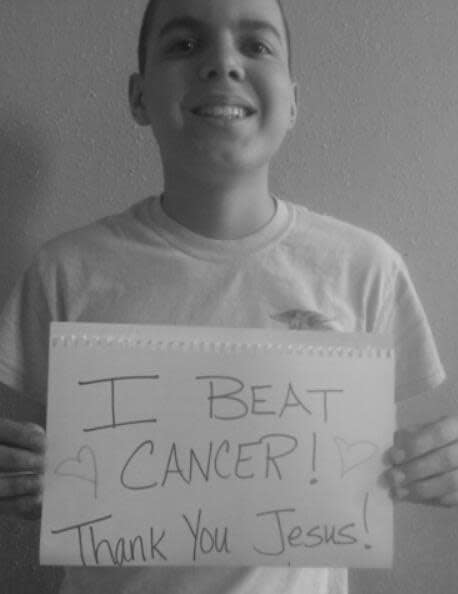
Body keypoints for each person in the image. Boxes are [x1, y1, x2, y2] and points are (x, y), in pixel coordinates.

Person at [0, 0, 457, 592]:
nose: (222, 63)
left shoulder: (365, 269)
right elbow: (34, 456)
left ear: (293, 101)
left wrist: (439, 466)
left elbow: (395, 457)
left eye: (256, 45)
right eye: (184, 44)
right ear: (139, 98)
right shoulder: (65, 271)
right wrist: (23, 474)